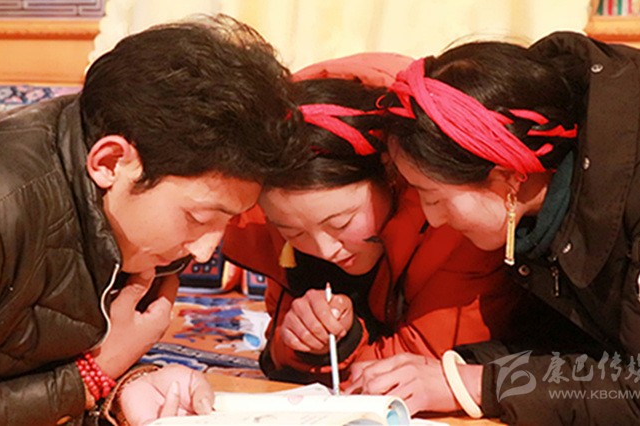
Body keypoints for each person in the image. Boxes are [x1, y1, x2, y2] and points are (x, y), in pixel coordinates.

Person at [0, 15, 301, 425]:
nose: (205, 251)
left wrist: (126, 387)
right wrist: (91, 377)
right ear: (110, 161)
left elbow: (37, 357)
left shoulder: (135, 217)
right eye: (198, 217)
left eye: (226, 221)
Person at [346, 32, 640, 424]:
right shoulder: (541, 191)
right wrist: (451, 370)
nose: (432, 219)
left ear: (507, 175)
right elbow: (574, 348)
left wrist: (481, 384)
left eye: (432, 197)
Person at [222, 53, 530, 385]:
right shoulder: (285, 215)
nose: (324, 250)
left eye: (340, 224)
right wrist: (305, 340)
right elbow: (279, 353)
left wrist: (344, 347)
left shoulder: (459, 221)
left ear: (391, 173)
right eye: (293, 232)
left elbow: (429, 363)